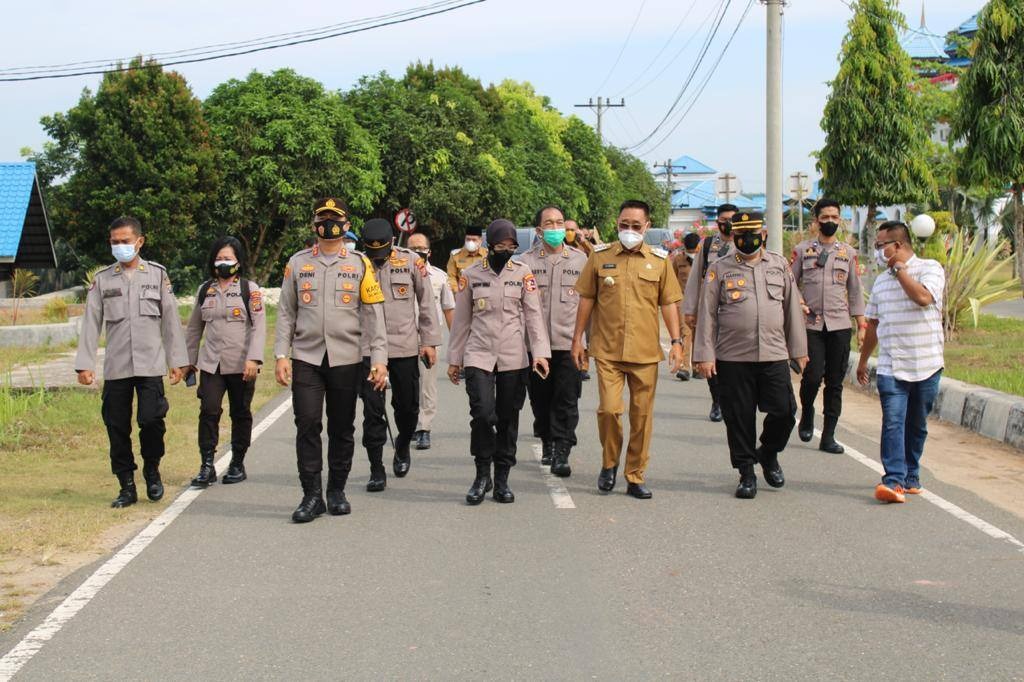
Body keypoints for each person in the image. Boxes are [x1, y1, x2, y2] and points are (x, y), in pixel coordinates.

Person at [274, 198, 388, 523]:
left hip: (347, 357)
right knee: (307, 422)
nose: (328, 223)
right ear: (314, 226)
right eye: (322, 218)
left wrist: (379, 358)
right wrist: (281, 354)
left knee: (341, 427)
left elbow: (373, 315)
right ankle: (311, 495)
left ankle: (336, 490)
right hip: (307, 356)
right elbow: (286, 313)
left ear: (346, 225)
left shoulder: (360, 264)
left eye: (334, 218)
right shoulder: (296, 264)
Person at [571, 200, 685, 499]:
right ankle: (609, 465)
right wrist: (577, 341)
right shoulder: (599, 257)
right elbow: (586, 300)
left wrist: (676, 342)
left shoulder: (660, 262)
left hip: (645, 353)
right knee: (609, 410)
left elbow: (669, 304)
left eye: (636, 226)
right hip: (607, 350)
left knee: (642, 416)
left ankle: (635, 475)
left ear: (647, 227)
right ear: (617, 224)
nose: (629, 231)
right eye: (624, 225)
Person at [75, 216, 189, 508]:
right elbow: (91, 324)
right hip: (117, 367)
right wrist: (84, 364)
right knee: (116, 427)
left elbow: (171, 322)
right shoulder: (102, 280)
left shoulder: (157, 275)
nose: (120, 247)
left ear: (139, 241)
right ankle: (126, 485)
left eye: (125, 241)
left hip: (151, 365)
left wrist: (178, 360)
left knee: (151, 421)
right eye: (114, 242)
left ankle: (152, 469)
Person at [693, 212, 808, 499]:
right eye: (740, 233)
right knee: (739, 417)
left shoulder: (779, 266)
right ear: (733, 236)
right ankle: (746, 472)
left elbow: (792, 310)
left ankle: (768, 453)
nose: (747, 238)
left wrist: (799, 351)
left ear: (764, 234)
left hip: (774, 353)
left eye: (753, 233)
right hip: (733, 357)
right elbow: (706, 315)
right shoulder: (719, 269)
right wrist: (705, 355)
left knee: (785, 411)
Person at [448, 219, 550, 505]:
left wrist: (539, 354)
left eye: (511, 246)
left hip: (512, 357)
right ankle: (482, 475)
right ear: (488, 245)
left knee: (507, 418)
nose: (506, 251)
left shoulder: (523, 274)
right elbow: (461, 322)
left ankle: (502, 477)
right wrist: (455, 359)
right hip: (478, 354)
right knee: (482, 414)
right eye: (500, 246)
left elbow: (533, 316)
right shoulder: (470, 275)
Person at [856, 220, 945, 504]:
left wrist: (900, 271)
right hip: (891, 366)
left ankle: (911, 476)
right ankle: (893, 481)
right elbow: (873, 325)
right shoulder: (881, 281)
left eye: (882, 246)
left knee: (916, 424)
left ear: (898, 245)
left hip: (927, 364)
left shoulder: (930, 268)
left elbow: (921, 297)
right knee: (893, 422)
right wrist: (863, 361)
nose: (879, 251)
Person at [357, 218, 442, 490]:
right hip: (368, 349)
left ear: (392, 242)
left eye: (381, 251)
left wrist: (429, 342)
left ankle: (403, 444)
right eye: (372, 251)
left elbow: (426, 302)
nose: (376, 257)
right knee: (373, 412)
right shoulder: (356, 264)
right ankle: (376, 468)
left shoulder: (410, 262)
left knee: (407, 409)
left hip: (404, 345)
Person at [184, 236, 267, 487]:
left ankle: (237, 462)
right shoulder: (204, 290)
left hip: (241, 364)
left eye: (228, 258)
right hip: (212, 364)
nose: (223, 262)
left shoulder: (248, 289)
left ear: (238, 262)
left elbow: (259, 326)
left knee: (240, 413)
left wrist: (253, 358)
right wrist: (188, 362)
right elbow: (193, 329)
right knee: (208, 411)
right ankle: (206, 465)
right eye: (219, 258)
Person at [517, 205, 589, 476]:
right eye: (550, 223)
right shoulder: (524, 262)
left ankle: (562, 449)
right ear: (539, 230)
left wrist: (586, 343)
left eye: (560, 223)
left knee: (567, 399)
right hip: (535, 347)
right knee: (540, 398)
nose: (557, 228)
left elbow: (588, 304)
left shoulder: (581, 260)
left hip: (569, 344)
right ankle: (546, 438)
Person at [791, 199, 866, 454]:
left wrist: (861, 323)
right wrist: (799, 302)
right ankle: (808, 412)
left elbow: (855, 290)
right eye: (826, 217)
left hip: (839, 325)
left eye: (835, 217)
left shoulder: (848, 253)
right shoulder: (802, 251)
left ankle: (829, 436)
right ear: (816, 222)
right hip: (811, 324)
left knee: (835, 383)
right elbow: (791, 283)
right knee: (812, 377)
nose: (831, 221)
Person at [683, 203, 738, 421]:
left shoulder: (744, 244)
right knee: (709, 357)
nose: (728, 224)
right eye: (724, 219)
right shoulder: (707, 246)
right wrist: (690, 310)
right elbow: (695, 279)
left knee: (732, 361)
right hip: (710, 313)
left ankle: (732, 400)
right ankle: (717, 401)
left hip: (735, 313)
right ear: (718, 223)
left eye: (732, 219)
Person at [408, 231, 456, 450]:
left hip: (428, 337)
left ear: (429, 251)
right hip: (402, 337)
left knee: (427, 384)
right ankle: (408, 424)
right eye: (411, 249)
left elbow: (448, 309)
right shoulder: (396, 274)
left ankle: (424, 428)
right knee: (406, 385)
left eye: (420, 248)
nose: (416, 252)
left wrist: (456, 346)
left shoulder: (439, 277)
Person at [670, 231, 701, 381]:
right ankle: (684, 367)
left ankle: (696, 367)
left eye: (693, 249)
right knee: (686, 333)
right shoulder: (678, 259)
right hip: (683, 301)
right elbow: (672, 279)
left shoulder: (704, 259)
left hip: (701, 301)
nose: (691, 252)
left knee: (698, 334)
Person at [446, 225, 487, 291]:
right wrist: (458, 292)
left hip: (483, 293)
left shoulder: (487, 255)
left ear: (480, 240)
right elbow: (451, 276)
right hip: (462, 293)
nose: (470, 242)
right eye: (468, 239)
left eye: (474, 240)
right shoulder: (455, 255)